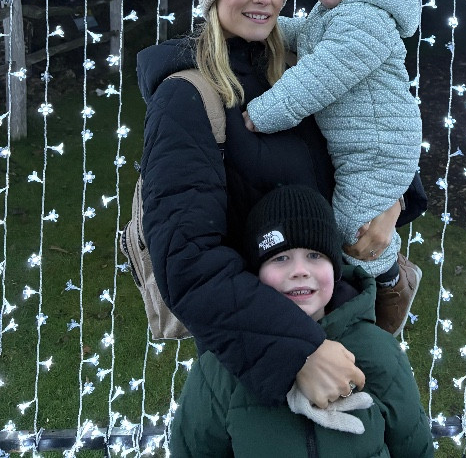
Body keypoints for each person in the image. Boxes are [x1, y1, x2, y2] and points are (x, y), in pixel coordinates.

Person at [136, 0, 421, 412]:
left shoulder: (295, 70)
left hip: (343, 336)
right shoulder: (187, 97)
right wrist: (299, 352)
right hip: (261, 367)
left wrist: (391, 209)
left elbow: (372, 136)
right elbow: (187, 260)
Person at [243, 0, 423, 335]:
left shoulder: (366, 19)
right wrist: (263, 24)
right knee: (348, 225)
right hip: (360, 142)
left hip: (379, 147)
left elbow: (320, 76)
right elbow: (301, 34)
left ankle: (390, 288)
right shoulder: (332, 15)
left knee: (354, 229)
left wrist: (263, 113)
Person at [169, 184, 434, 457]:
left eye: (314, 255)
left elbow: (414, 447)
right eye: (280, 257)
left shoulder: (379, 351)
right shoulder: (221, 368)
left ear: (335, 267)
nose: (299, 271)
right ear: (256, 275)